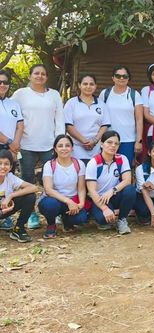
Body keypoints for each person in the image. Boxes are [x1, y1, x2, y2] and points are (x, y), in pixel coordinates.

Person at [12, 63, 65, 229]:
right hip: (26, 145)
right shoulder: (20, 94)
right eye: (36, 73)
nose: (40, 76)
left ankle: (55, 213)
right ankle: (31, 215)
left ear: (47, 77)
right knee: (27, 180)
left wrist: (59, 142)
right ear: (30, 76)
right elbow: (10, 113)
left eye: (43, 73)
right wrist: (14, 140)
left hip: (49, 145)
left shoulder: (54, 95)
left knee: (52, 181)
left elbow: (60, 119)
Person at [85, 130, 136, 234]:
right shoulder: (94, 163)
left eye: (116, 143)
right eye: (109, 142)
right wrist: (104, 209)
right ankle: (96, 214)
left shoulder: (122, 159)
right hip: (99, 198)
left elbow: (127, 180)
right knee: (103, 220)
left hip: (114, 194)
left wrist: (112, 191)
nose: (113, 146)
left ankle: (122, 220)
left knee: (130, 190)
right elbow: (91, 190)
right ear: (102, 144)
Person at [38, 134, 88, 239]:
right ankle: (51, 224)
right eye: (60, 146)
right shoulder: (49, 165)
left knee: (81, 218)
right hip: (54, 200)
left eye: (67, 145)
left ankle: (66, 220)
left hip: (72, 201)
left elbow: (81, 188)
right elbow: (48, 190)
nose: (64, 148)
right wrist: (68, 201)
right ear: (55, 149)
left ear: (72, 148)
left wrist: (81, 203)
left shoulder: (79, 164)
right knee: (50, 205)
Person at [99, 65, 144, 166]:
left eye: (125, 76)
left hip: (128, 140)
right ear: (113, 78)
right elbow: (99, 117)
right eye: (118, 76)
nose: (121, 78)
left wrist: (139, 141)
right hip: (108, 139)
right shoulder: (105, 93)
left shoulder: (134, 94)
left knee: (125, 169)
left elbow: (139, 120)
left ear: (129, 78)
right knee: (107, 167)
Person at [64, 74, 111, 164]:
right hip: (76, 147)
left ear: (95, 86)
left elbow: (105, 125)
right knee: (79, 173)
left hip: (96, 147)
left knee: (94, 173)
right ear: (79, 85)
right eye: (85, 84)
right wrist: (83, 140)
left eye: (91, 84)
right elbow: (68, 125)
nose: (88, 87)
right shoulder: (71, 103)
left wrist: (95, 140)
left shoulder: (101, 104)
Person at [0, 69, 24, 230]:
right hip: (6, 146)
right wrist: (9, 142)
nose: (2, 85)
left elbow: (20, 125)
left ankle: (5, 216)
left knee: (8, 182)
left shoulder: (13, 103)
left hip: (11, 150)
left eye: (5, 82)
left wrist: (15, 145)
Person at [0, 149, 37, 243]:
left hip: (6, 209)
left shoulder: (10, 177)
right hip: (2, 210)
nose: (2, 167)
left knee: (30, 196)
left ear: (10, 166)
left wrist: (11, 196)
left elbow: (33, 188)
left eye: (6, 164)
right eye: (0, 163)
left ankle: (18, 229)